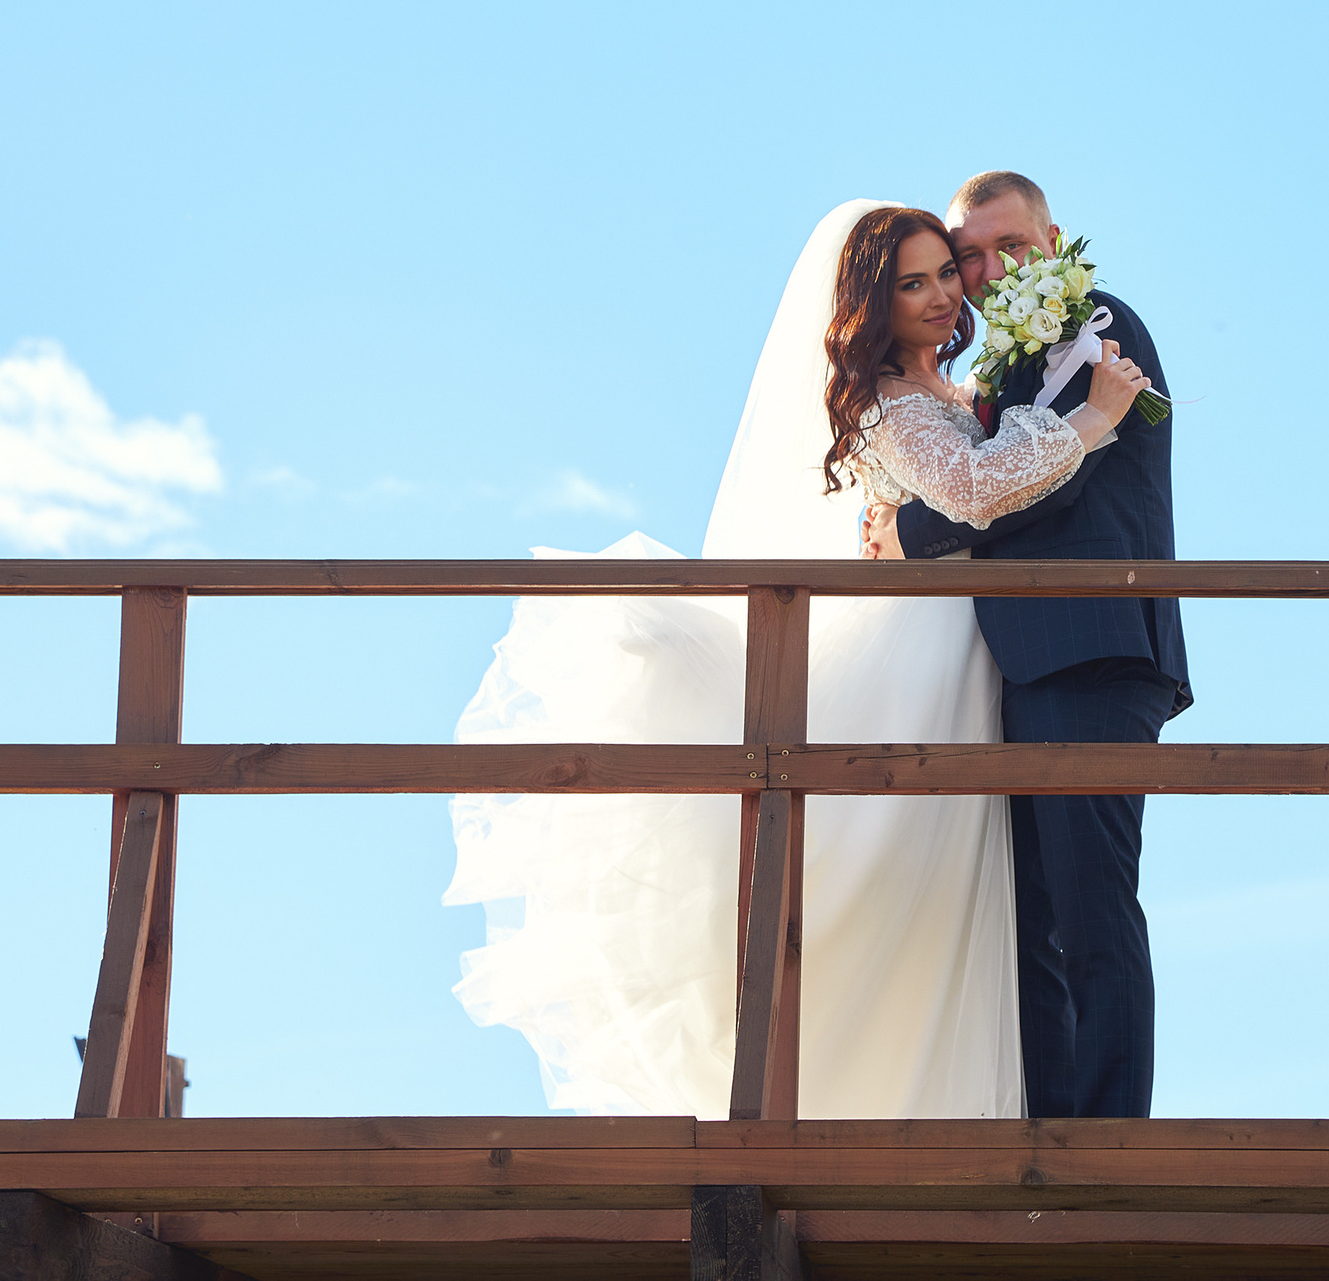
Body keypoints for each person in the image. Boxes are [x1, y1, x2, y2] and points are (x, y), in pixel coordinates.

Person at [442, 198, 1148, 1118]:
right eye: (913, 282)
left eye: (946, 272)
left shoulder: (949, 394)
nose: (943, 294)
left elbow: (956, 494)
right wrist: (1093, 418)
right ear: (872, 303)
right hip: (923, 663)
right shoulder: (889, 401)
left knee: (976, 899)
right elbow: (975, 488)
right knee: (910, 883)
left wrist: (912, 523)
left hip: (973, 657)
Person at [864, 170, 1186, 1119]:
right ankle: (1050, 1129)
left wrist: (913, 533)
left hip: (1092, 648)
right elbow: (997, 472)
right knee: (1029, 920)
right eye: (973, 255)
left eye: (1010, 247)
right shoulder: (1002, 364)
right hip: (1025, 662)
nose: (989, 269)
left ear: (1055, 241)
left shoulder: (1091, 323)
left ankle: (1114, 1134)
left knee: (1092, 907)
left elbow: (1052, 485)